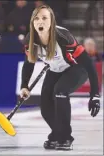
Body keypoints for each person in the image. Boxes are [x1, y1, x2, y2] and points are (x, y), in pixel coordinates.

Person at [20, 5, 100, 150]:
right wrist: (24, 86)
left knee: (60, 91)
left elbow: (88, 64)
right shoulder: (30, 40)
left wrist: (94, 94)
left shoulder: (63, 38)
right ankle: (57, 134)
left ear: (52, 21)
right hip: (55, 69)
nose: (40, 22)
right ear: (32, 22)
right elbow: (29, 63)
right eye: (36, 18)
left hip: (76, 68)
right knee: (45, 107)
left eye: (45, 18)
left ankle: (65, 138)